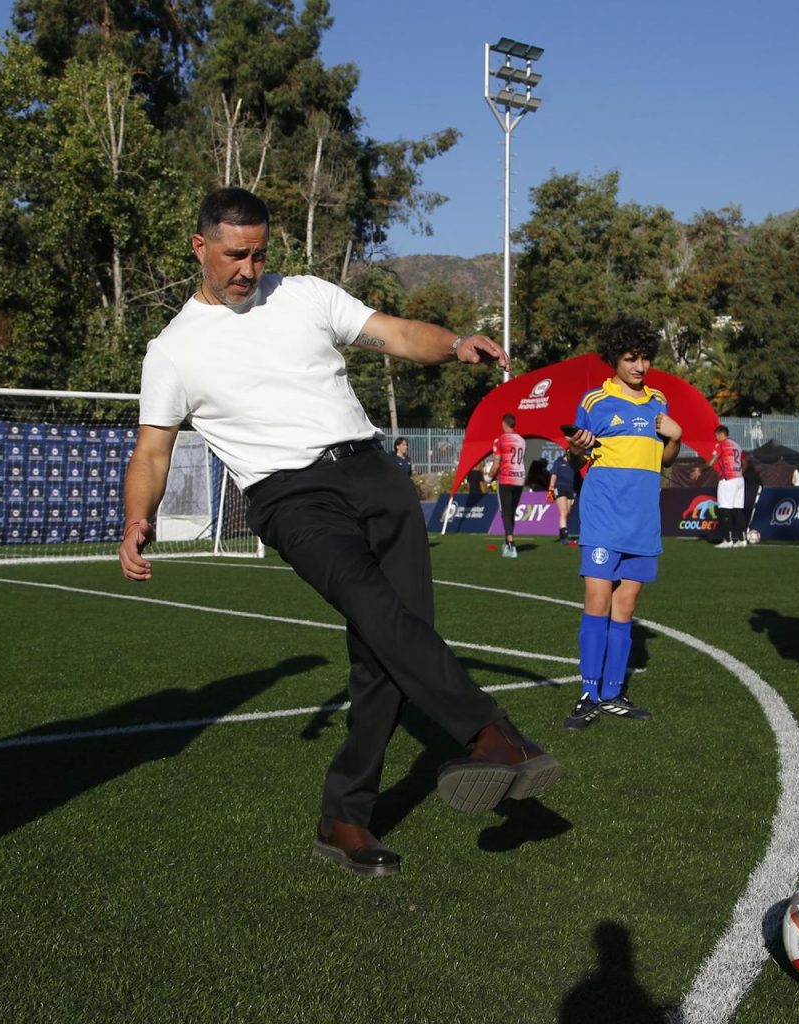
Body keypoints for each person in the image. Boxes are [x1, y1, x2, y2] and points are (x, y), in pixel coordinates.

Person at [119, 188, 561, 877]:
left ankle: (343, 817)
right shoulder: (172, 350)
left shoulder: (304, 295)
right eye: (235, 254)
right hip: (291, 497)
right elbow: (152, 450)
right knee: (373, 607)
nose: (249, 268)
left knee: (387, 648)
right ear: (200, 247)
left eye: (259, 252)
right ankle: (489, 732)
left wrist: (454, 344)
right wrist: (135, 518)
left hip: (372, 471)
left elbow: (393, 332)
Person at [562, 316, 682, 729]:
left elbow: (665, 461)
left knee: (626, 605)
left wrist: (676, 438)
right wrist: (577, 449)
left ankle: (613, 694)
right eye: (631, 358)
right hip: (603, 517)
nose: (640, 366)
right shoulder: (595, 402)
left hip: (643, 521)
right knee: (597, 599)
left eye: (646, 358)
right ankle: (588, 693)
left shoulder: (659, 402)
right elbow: (577, 457)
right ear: (614, 359)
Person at [484, 414, 526, 557]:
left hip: (506, 478)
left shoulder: (500, 440)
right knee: (511, 512)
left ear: (504, 424)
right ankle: (507, 541)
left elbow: (496, 463)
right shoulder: (521, 440)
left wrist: (489, 476)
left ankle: (511, 544)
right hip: (519, 478)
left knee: (506, 512)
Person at [706, 425, 747, 547]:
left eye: (716, 436)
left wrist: (700, 470)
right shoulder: (737, 446)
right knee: (738, 510)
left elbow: (712, 462)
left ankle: (728, 541)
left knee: (725, 509)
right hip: (740, 479)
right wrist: (739, 472)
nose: (716, 438)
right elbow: (745, 463)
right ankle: (742, 540)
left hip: (728, 480)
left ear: (721, 434)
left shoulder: (721, 445)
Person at [547, 448, 585, 545]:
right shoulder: (559, 462)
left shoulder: (574, 465)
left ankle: (563, 534)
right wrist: (551, 489)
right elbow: (554, 476)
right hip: (560, 488)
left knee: (567, 513)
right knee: (563, 512)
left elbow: (577, 478)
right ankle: (564, 536)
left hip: (570, 490)